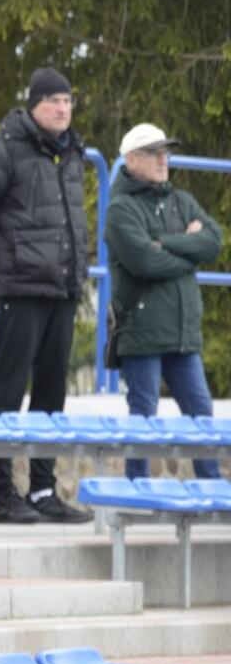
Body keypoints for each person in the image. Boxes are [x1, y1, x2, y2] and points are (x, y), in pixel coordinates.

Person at [0, 67, 92, 524]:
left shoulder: (71, 152)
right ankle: (3, 495)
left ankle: (42, 489)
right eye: (53, 100)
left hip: (63, 288)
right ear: (34, 105)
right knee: (5, 394)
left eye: (67, 101)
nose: (62, 108)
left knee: (51, 397)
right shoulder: (2, 150)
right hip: (19, 287)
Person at [106, 123, 223, 480]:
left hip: (183, 334)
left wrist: (165, 243)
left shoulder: (182, 201)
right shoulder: (121, 209)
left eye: (165, 152)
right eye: (153, 152)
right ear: (131, 159)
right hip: (142, 332)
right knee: (143, 418)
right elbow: (145, 261)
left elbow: (213, 242)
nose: (163, 159)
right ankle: (136, 490)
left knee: (201, 417)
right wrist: (188, 252)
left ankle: (212, 491)